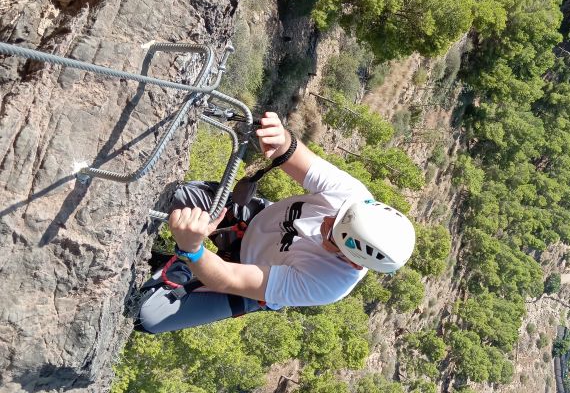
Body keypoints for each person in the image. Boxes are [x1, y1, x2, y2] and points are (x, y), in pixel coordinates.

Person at [136, 111, 416, 333]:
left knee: (147, 314)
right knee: (180, 196)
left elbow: (228, 277)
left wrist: (192, 249)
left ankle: (176, 266)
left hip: (246, 278)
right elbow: (292, 155)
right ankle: (180, 256)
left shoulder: (328, 283)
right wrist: (279, 138)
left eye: (333, 234)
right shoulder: (353, 197)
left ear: (354, 261)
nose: (328, 220)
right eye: (338, 215)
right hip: (253, 221)